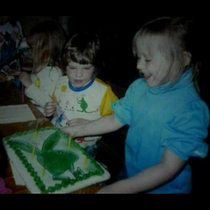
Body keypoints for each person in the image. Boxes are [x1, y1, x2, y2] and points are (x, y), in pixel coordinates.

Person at [60, 17, 210, 193]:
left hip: (165, 189)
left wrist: (118, 189)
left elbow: (168, 167)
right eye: (139, 57)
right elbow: (115, 119)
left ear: (182, 59)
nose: (139, 65)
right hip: (130, 172)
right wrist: (79, 130)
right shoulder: (139, 88)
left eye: (148, 60)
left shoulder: (189, 108)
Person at [44, 32, 118, 157]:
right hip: (60, 139)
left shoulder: (103, 92)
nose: (78, 74)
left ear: (95, 67)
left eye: (86, 68)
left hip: (86, 147)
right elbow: (57, 108)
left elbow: (116, 119)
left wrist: (89, 124)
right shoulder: (60, 83)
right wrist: (50, 112)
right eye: (72, 68)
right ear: (64, 66)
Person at [17, 20, 66, 115]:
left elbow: (50, 104)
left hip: (45, 119)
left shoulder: (54, 73)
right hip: (33, 111)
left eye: (33, 48)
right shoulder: (42, 67)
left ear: (45, 49)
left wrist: (29, 85)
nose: (30, 52)